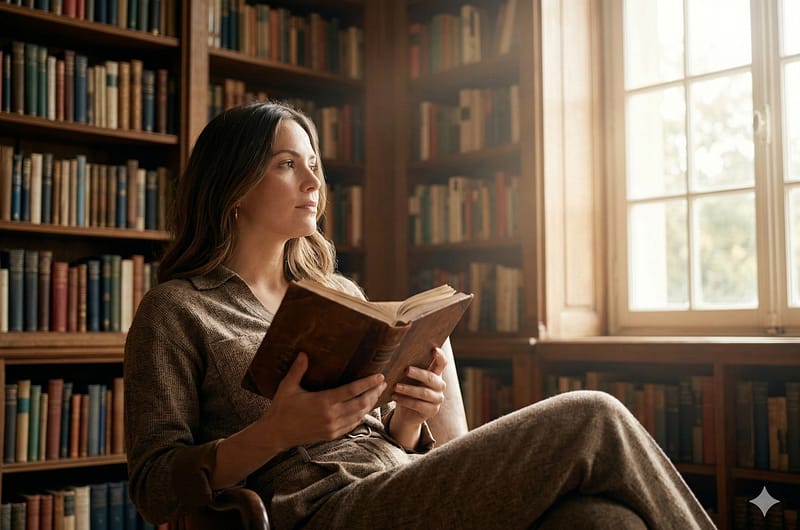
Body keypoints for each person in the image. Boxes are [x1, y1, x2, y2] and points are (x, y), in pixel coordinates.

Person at [124, 102, 717, 529]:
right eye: (286, 165)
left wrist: (409, 418)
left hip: (397, 479)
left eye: (313, 165)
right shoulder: (178, 310)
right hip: (320, 509)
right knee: (592, 414)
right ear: (231, 185)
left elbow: (388, 438)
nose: (312, 182)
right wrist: (279, 431)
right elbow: (155, 490)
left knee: (603, 521)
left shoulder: (334, 294)